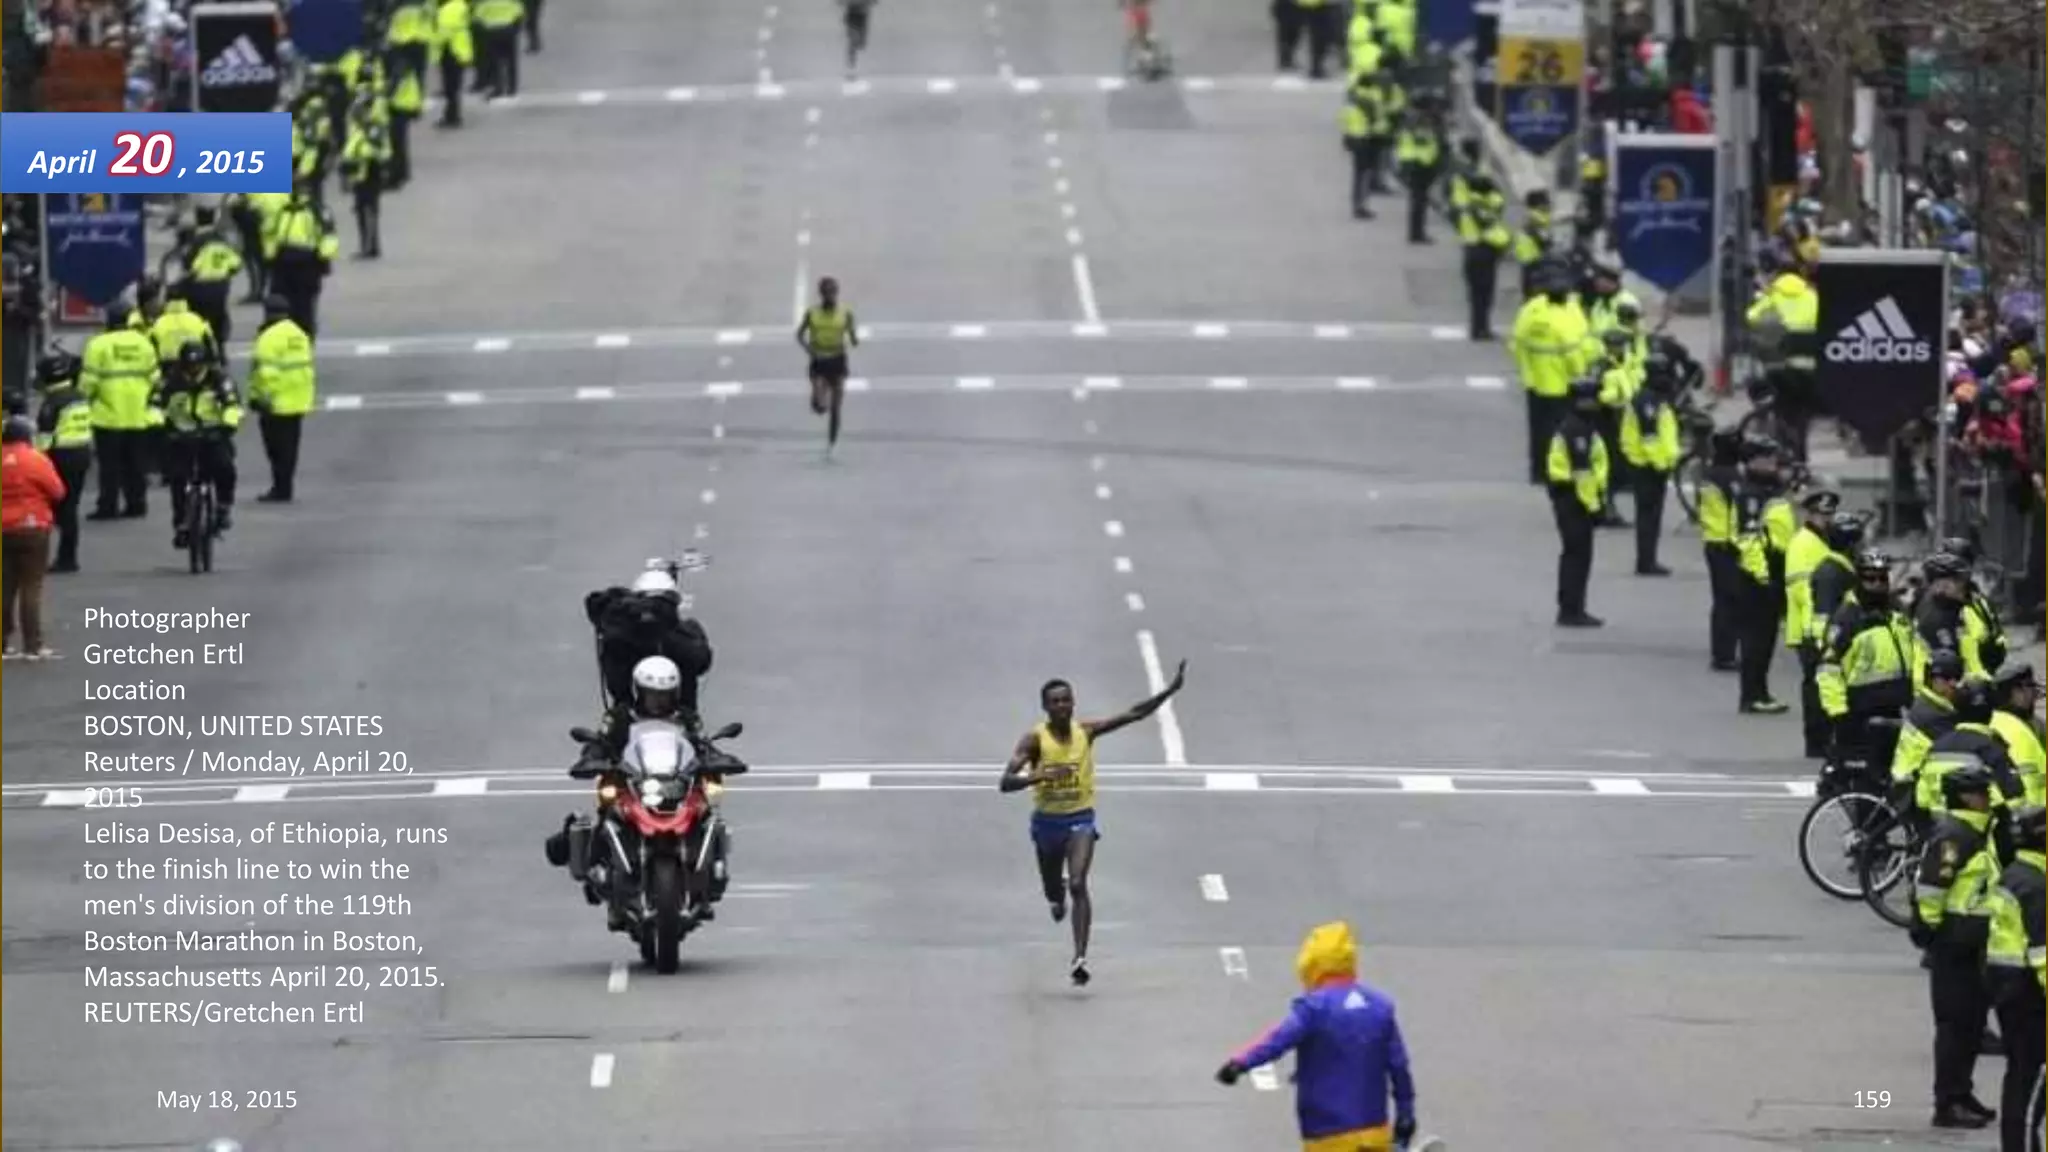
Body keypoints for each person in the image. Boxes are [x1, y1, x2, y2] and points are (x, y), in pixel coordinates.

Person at [998, 661, 1188, 986]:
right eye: (1054, 701)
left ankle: (1079, 958)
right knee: (1055, 890)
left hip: (1080, 819)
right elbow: (1005, 782)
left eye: (1066, 700)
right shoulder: (1034, 740)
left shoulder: (1085, 732)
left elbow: (1133, 714)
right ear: (1045, 707)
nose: (1061, 706)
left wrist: (1168, 692)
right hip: (1046, 823)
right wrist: (1037, 776)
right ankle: (1055, 899)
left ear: (1073, 703)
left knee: (1077, 883)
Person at [1215, 920, 1419, 1151]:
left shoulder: (1314, 1008)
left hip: (1328, 1135)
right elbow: (1399, 1066)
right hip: (1374, 1132)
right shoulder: (1380, 1007)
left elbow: (1277, 1041)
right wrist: (1406, 1115)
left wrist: (1239, 1063)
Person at [1912, 761, 2003, 1130]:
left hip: (1972, 943)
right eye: (1982, 792)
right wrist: (1936, 936)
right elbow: (1931, 890)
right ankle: (1948, 1102)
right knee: (1955, 1025)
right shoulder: (1956, 835)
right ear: (1967, 796)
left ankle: (1962, 1093)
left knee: (1971, 1024)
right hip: (1954, 945)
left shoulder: (1977, 831)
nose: (1987, 798)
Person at [1985, 803, 2046, 1152]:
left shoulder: (2015, 875)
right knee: (2032, 1084)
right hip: (2029, 996)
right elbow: (2043, 956)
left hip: (2008, 989)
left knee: (2020, 1076)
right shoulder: (2037, 888)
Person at [1816, 549, 1915, 764]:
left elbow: (1916, 653)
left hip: (1897, 706)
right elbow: (1828, 669)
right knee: (1855, 772)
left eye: (1882, 577)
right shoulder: (1847, 617)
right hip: (1858, 711)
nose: (1878, 584)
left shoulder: (1898, 611)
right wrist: (1837, 711)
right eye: (1870, 578)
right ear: (1859, 579)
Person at [584, 568, 715, 728]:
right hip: (630, 720)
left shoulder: (686, 632)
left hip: (681, 720)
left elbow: (700, 660)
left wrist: (662, 634)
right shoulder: (620, 635)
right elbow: (615, 676)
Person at [151, 344, 242, 549]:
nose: (193, 371)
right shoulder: (168, 382)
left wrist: (227, 426)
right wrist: (160, 426)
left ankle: (223, 507)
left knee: (225, 468)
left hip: (213, 434)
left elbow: (233, 405)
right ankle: (182, 523)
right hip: (181, 435)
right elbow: (153, 406)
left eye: (197, 367)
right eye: (189, 367)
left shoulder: (219, 380)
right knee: (177, 478)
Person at [80, 306, 161, 521]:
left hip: (108, 414)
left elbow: (89, 382)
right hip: (137, 413)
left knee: (109, 465)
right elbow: (154, 377)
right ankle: (137, 503)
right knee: (135, 463)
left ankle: (108, 506)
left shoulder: (98, 345)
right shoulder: (143, 343)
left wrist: (85, 399)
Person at [1731, 437, 1794, 713]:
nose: (1773, 464)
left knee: (1766, 639)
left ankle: (1761, 691)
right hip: (1759, 575)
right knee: (1756, 639)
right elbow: (1748, 540)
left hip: (1774, 568)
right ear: (1752, 462)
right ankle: (1752, 694)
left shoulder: (1767, 490)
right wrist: (1763, 576)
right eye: (1767, 459)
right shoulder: (1751, 495)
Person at [1783, 490, 1845, 755]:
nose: (1826, 519)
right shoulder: (1803, 544)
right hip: (1810, 628)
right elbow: (1803, 592)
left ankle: (1823, 739)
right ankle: (1816, 742)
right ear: (1809, 514)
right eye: (1821, 515)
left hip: (1819, 625)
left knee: (1822, 685)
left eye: (1830, 515)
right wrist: (1817, 630)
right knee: (1814, 687)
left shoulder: (1821, 541)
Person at [1, 415, 65, 660]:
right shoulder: (35, 459)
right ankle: (33, 644)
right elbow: (57, 491)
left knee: (4, 586)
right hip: (32, 526)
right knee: (31, 586)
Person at [1546, 376, 1606, 628]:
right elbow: (1582, 475)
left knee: (1577, 556)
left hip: (1572, 498)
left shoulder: (1578, 426)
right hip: (1574, 499)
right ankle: (1571, 610)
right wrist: (1594, 506)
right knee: (1577, 557)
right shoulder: (1577, 431)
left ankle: (1573, 606)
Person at [247, 297, 317, 503]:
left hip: (275, 402)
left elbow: (266, 373)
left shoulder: (268, 338)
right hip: (297, 400)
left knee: (275, 448)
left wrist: (259, 398)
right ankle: (285, 485)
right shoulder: (299, 335)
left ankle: (280, 487)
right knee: (291, 447)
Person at [1618, 353, 1679, 575]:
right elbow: (1649, 438)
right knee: (1648, 517)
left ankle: (1648, 559)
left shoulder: (1653, 397)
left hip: (1651, 464)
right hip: (1647, 466)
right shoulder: (1647, 401)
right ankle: (1646, 561)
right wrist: (1661, 464)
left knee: (1651, 517)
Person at [32, 350, 92, 574]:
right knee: (71, 507)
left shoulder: (52, 403)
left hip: (61, 457)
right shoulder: (79, 395)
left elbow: (44, 440)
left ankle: (65, 558)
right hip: (82, 453)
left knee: (60, 508)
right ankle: (69, 556)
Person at [1696, 429, 1743, 671]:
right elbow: (1736, 513)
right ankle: (1724, 654)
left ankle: (1724, 651)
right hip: (1725, 544)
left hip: (1714, 542)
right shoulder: (1728, 478)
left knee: (1724, 599)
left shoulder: (1711, 474)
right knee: (1729, 600)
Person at [796, 277, 858, 457]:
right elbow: (799, 335)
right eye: (827, 293)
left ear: (836, 294)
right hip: (819, 361)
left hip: (838, 361)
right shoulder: (812, 313)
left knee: (836, 408)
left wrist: (853, 340)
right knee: (820, 406)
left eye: (833, 293)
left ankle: (832, 443)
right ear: (822, 294)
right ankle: (818, 400)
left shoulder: (846, 313)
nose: (830, 297)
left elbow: (853, 336)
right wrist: (809, 350)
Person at [1918, 552, 1997, 681]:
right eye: (1956, 580)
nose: (1963, 585)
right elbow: (1950, 666)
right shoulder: (1936, 619)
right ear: (1939, 584)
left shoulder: (1953, 607)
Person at [1456, 172, 1509, 342]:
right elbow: (1497, 207)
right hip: (1484, 251)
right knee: (1485, 294)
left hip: (1470, 250)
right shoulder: (1485, 207)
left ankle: (1477, 328)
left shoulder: (1466, 206)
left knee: (1475, 295)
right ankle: (1482, 329)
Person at [1987, 665, 2044, 808]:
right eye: (2029, 687)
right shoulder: (2014, 731)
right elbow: (2028, 782)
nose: (2034, 695)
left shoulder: (2028, 723)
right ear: (2016, 692)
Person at [1392, 107, 1439, 244]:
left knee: (1418, 202)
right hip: (1419, 167)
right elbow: (1424, 148)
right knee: (1418, 203)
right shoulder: (1419, 132)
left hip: (1419, 167)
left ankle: (1417, 232)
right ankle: (1417, 234)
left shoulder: (1410, 131)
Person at [434, 0, 474, 128]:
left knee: (451, 87)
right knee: (454, 86)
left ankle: (452, 116)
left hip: (451, 50)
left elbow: (445, 30)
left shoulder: (450, 8)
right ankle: (452, 114)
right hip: (460, 49)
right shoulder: (461, 4)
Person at [843, 0, 875, 75]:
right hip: (853, 14)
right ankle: (851, 63)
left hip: (861, 15)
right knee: (853, 39)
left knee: (860, 43)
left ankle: (852, 62)